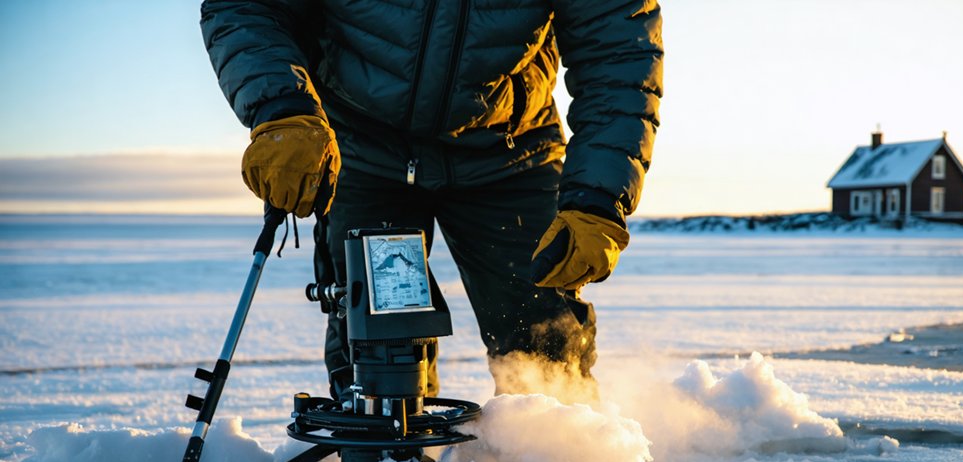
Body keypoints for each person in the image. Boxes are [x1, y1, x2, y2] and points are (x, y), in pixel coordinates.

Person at [200, 0, 662, 404]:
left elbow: (619, 52)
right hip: (364, 145)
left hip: (511, 150)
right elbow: (249, 5)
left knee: (544, 342)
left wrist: (597, 198)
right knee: (381, 356)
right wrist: (283, 111)